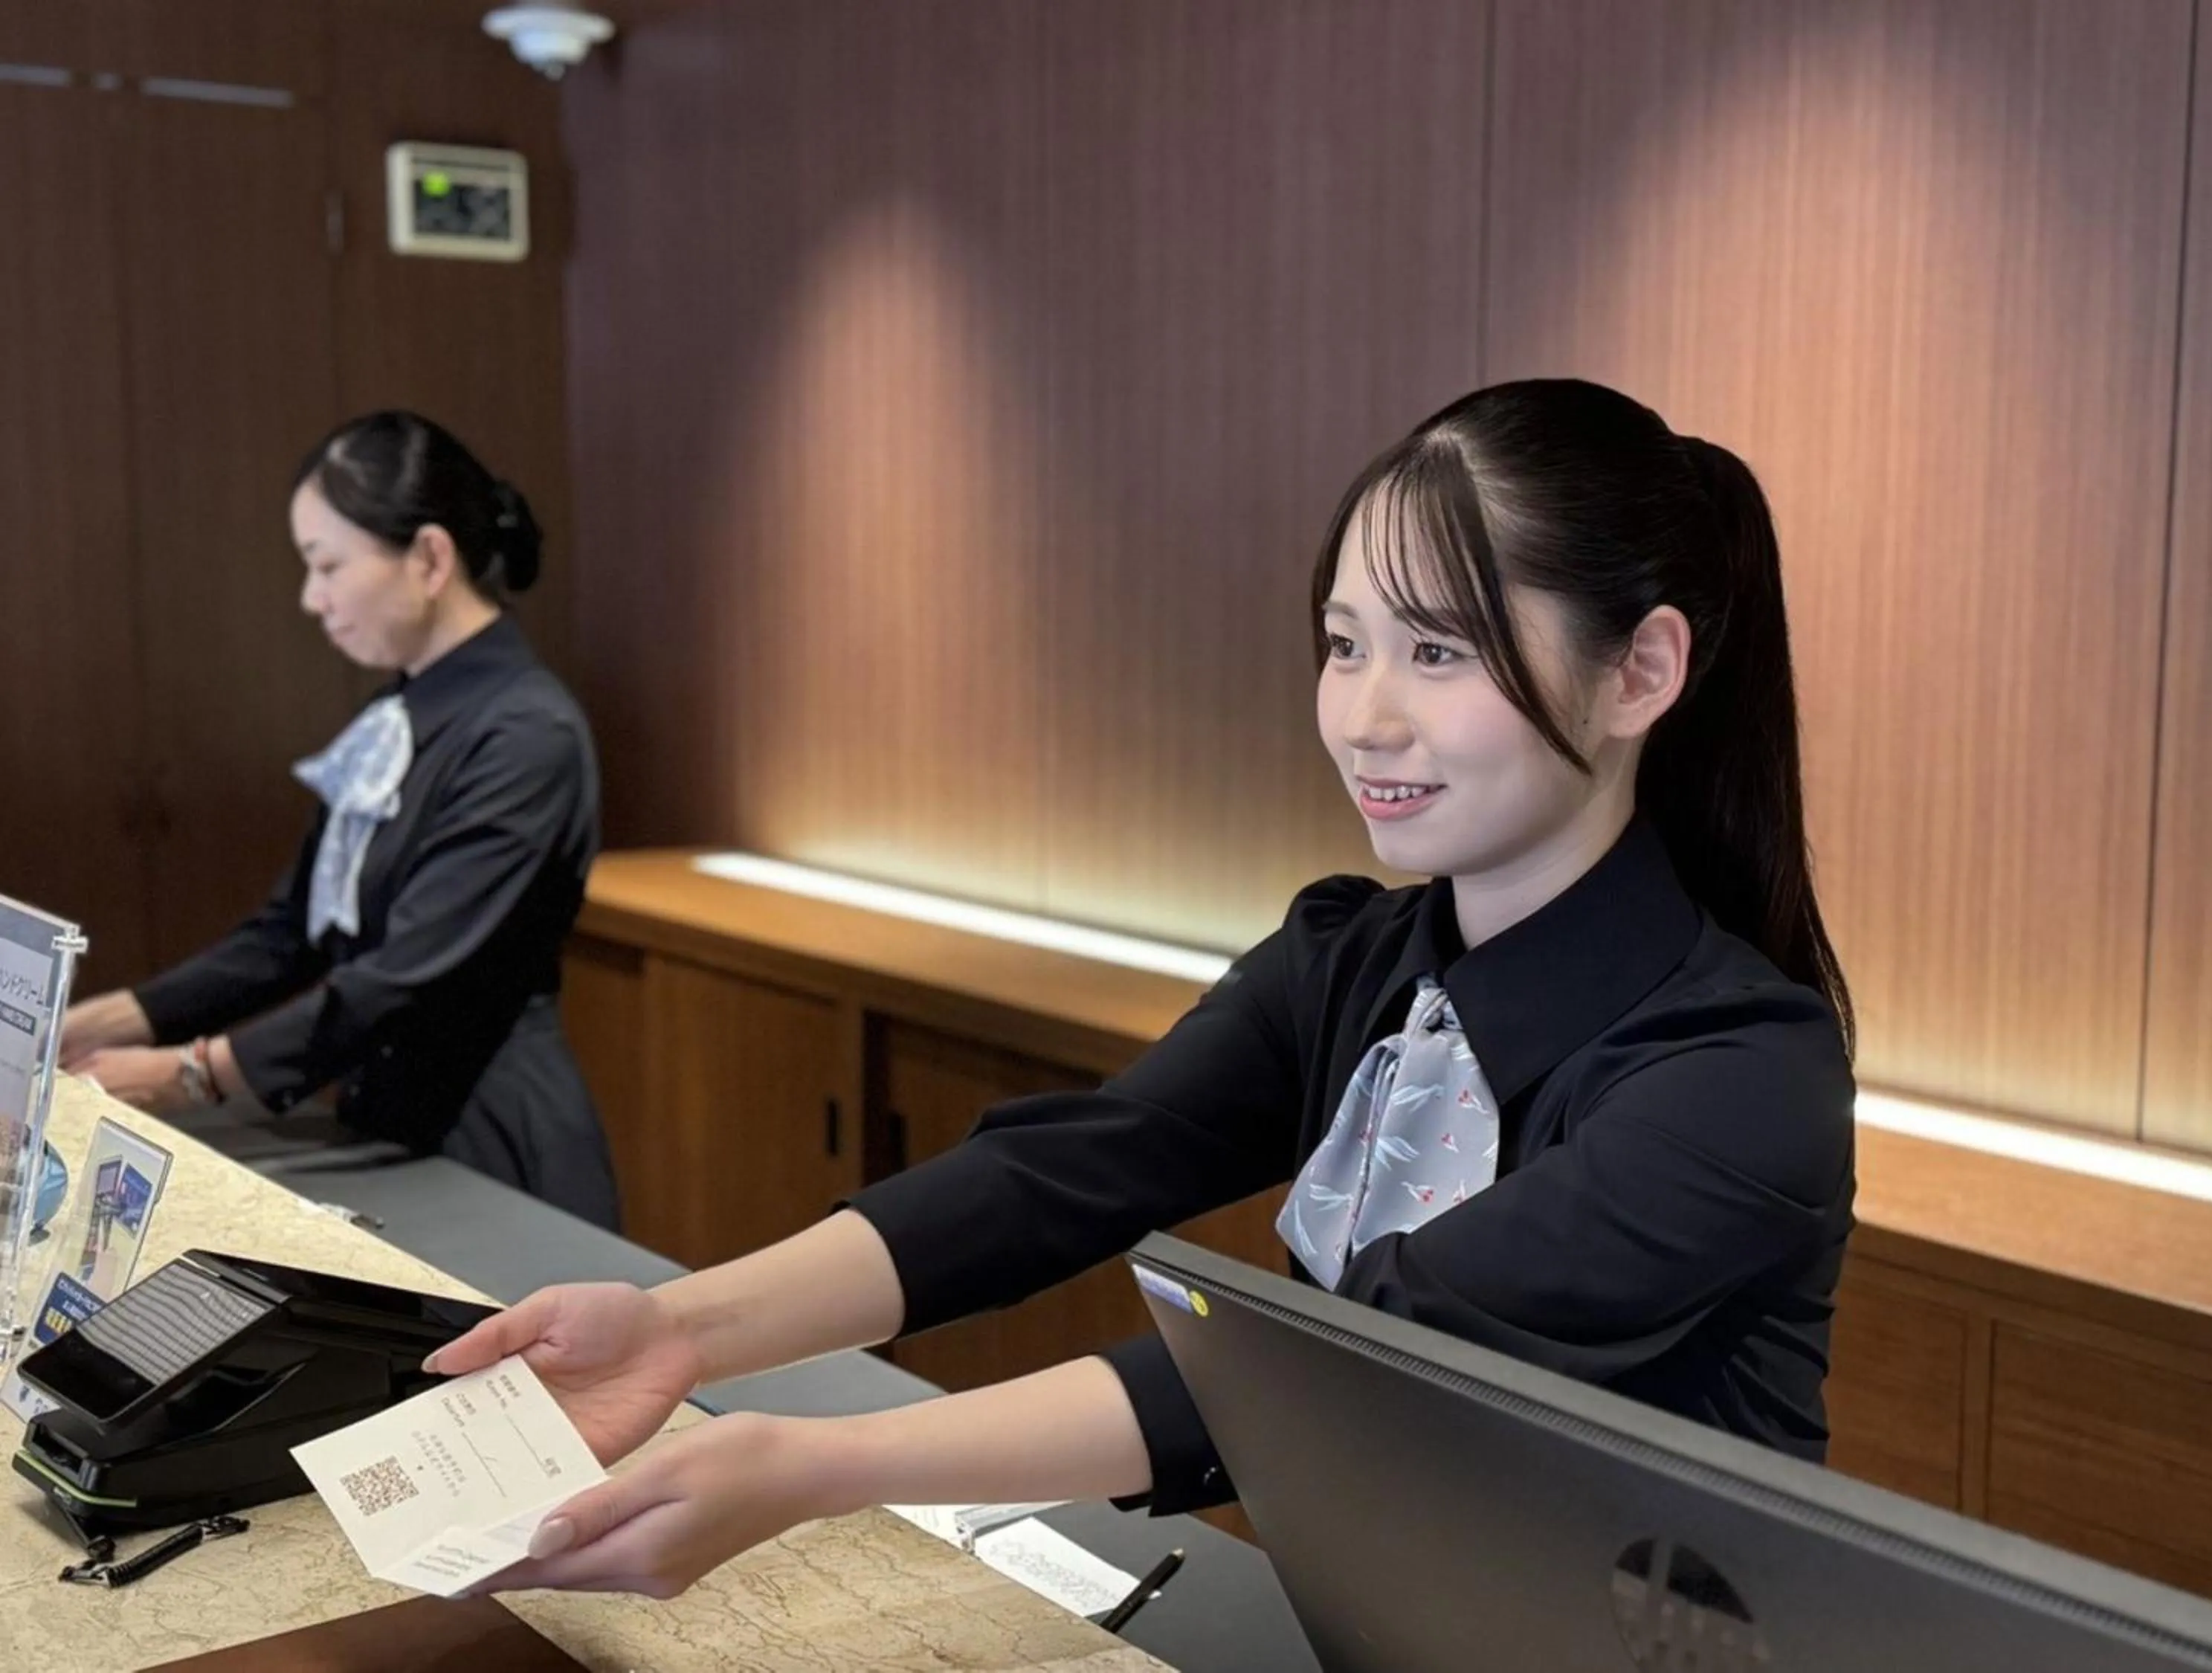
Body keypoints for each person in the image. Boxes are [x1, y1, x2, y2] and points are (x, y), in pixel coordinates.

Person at [428, 379, 1857, 1597]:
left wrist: (820, 1464)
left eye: (1441, 650)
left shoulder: (1740, 1071)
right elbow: (1075, 1171)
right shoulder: (1349, 956)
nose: (1366, 715)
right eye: (1346, 643)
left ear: (1641, 672)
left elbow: (1343, 1366)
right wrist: (682, 1327)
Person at [60, 412, 620, 1230]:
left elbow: (411, 976)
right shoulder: (400, 710)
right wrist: (97, 1021)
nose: (311, 598)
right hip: (385, 1118)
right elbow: (292, 932)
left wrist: (190, 1072)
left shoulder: (527, 734)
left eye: (327, 565)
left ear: (430, 558)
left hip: (490, 1137)